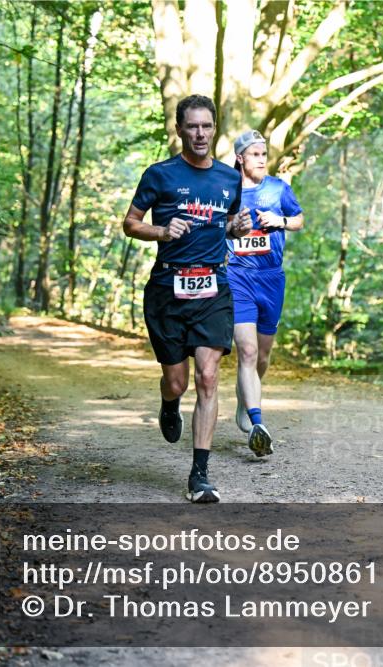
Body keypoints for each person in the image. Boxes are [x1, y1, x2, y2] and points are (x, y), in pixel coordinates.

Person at [122, 94, 252, 503]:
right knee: (177, 381)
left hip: (213, 287)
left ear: (215, 129)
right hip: (167, 289)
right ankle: (168, 402)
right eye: (192, 126)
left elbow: (225, 224)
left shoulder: (230, 179)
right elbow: (130, 223)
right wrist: (161, 232)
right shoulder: (159, 175)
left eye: (207, 126)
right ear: (179, 129)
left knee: (208, 377)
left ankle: (200, 474)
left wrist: (237, 227)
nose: (200, 134)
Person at [228, 129, 304, 457]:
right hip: (237, 277)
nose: (261, 159)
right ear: (240, 158)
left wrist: (281, 220)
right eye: (255, 154)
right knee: (245, 351)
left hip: (271, 279)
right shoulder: (225, 189)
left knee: (261, 356)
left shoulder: (278, 189)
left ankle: (244, 399)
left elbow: (299, 219)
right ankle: (257, 421)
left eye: (264, 154)